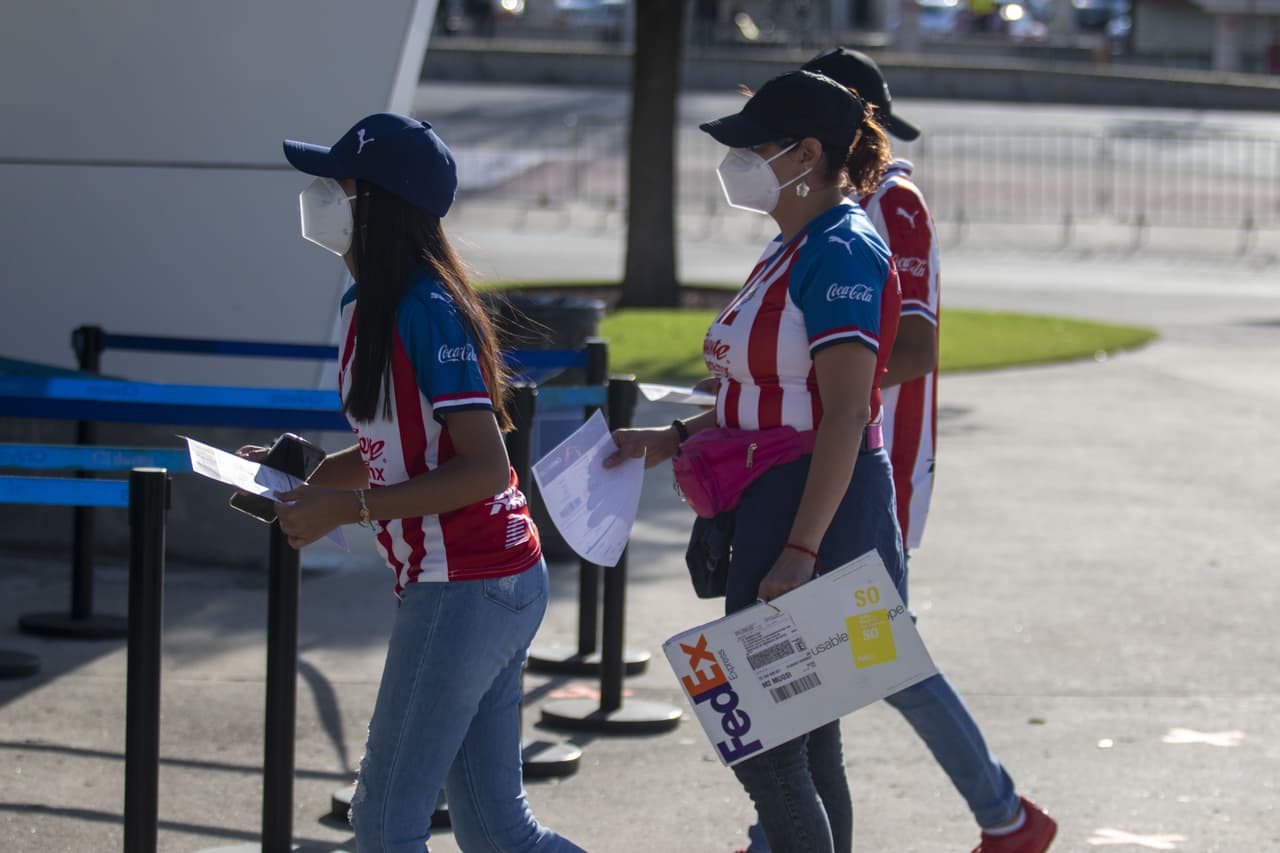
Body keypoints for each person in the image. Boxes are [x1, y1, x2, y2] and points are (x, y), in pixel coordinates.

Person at [735, 48, 1058, 853]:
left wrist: (822, 386)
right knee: (839, 667)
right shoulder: (833, 213)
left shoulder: (887, 207)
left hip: (867, 461)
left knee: (879, 659)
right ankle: (794, 830)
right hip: (831, 460)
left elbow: (912, 346)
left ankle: (1004, 814)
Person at [266, 112, 585, 853]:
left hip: (469, 580)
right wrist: (306, 478)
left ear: (375, 204)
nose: (320, 195)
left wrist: (349, 508)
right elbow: (393, 448)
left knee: (382, 824)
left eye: (336, 183)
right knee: (499, 832)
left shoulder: (425, 307)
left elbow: (484, 466)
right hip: (475, 580)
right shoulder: (366, 304)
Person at [607, 70, 905, 853]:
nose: (737, 162)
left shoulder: (840, 246)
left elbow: (844, 410)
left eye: (755, 147)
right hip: (779, 499)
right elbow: (775, 392)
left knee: (768, 749)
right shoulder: (797, 242)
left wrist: (801, 549)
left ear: (806, 154)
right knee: (805, 742)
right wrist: (670, 438)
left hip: (813, 512)